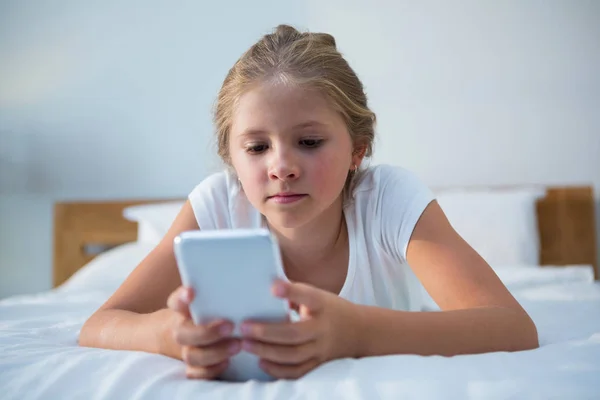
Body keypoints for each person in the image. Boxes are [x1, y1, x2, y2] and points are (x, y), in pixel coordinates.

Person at [79, 24, 538, 380]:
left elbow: (512, 327)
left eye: (310, 141)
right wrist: (165, 335)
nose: (281, 166)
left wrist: (355, 332)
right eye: (257, 148)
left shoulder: (389, 200)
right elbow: (99, 325)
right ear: (232, 160)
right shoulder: (217, 206)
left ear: (357, 150)